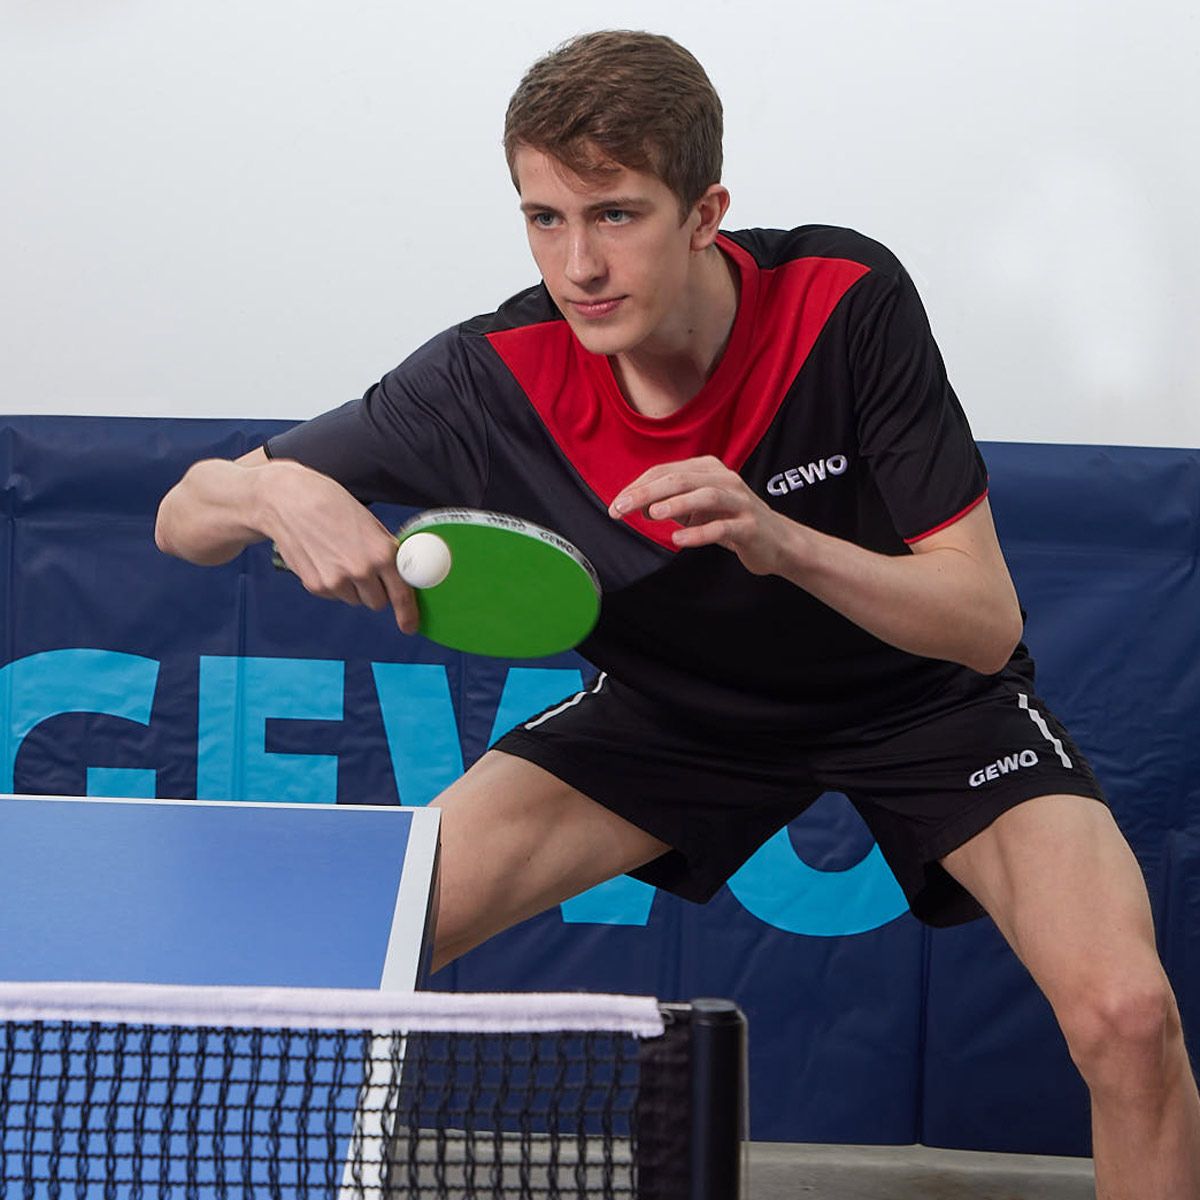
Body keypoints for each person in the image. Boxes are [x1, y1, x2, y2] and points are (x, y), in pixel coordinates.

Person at [155, 30, 1199, 1197]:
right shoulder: (490, 379)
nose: (578, 264)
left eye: (616, 215)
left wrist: (782, 540)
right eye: (544, 218)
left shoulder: (841, 302)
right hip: (674, 717)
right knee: (352, 939)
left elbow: (982, 621)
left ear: (705, 213)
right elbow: (181, 518)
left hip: (922, 703)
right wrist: (267, 491)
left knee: (1129, 1017)